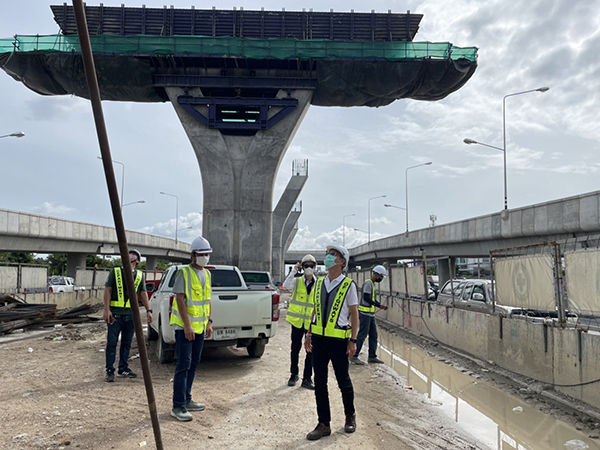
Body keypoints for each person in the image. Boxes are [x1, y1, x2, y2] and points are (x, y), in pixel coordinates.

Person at [304, 244, 359, 441]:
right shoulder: (319, 282)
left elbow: (354, 314)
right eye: (328, 253)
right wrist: (308, 333)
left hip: (338, 342)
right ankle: (324, 424)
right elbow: (315, 309)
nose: (328, 256)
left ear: (342, 261)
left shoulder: (348, 285)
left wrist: (353, 340)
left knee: (343, 381)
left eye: (333, 254)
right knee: (320, 382)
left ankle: (350, 416)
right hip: (318, 341)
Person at [170, 236, 213, 422]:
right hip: (185, 328)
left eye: (207, 254)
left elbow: (207, 300)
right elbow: (180, 300)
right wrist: (187, 326)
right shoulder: (184, 273)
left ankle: (187, 400)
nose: (205, 257)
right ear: (193, 255)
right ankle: (178, 406)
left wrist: (209, 322)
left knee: (194, 363)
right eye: (201, 254)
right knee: (183, 365)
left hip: (200, 328)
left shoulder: (207, 274)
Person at [103, 249, 152, 382]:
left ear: (138, 261)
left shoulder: (140, 275)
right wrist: (106, 310)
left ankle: (123, 368)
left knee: (126, 343)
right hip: (115, 315)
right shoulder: (116, 271)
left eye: (133, 255)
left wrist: (149, 310)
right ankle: (109, 370)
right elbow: (108, 290)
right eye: (129, 254)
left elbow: (143, 293)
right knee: (112, 343)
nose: (130, 257)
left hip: (131, 316)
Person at [283, 254, 316, 389]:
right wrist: (294, 271)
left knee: (310, 351)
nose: (309, 268)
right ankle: (294, 374)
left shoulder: (319, 284)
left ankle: (307, 378)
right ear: (302, 267)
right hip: (297, 322)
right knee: (295, 349)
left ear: (315, 267)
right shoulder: (296, 281)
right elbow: (285, 285)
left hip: (310, 324)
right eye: (306, 266)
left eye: (311, 266)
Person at [350, 265, 389, 365]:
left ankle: (372, 356)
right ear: (376, 274)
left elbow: (372, 299)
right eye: (380, 276)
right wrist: (378, 305)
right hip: (365, 313)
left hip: (370, 314)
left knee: (373, 335)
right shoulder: (368, 284)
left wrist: (380, 305)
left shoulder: (372, 284)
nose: (381, 278)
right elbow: (366, 298)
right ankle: (354, 355)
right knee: (362, 334)